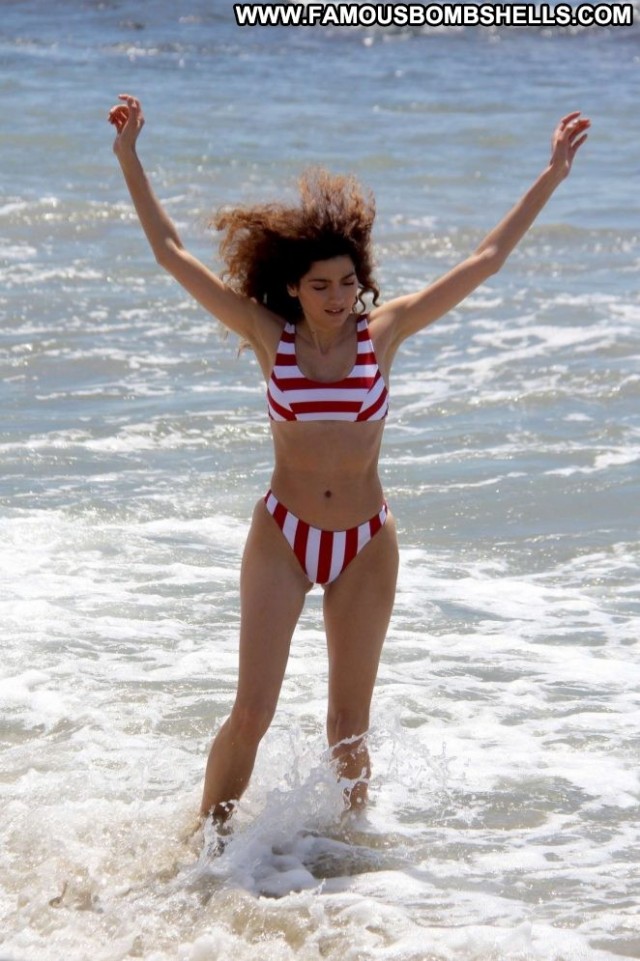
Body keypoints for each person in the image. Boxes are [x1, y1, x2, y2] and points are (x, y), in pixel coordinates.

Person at [108, 94, 589, 823]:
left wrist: (551, 175)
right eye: (320, 286)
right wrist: (129, 159)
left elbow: (484, 261)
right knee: (251, 712)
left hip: (365, 544)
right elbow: (172, 255)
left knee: (348, 726)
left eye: (347, 283)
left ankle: (351, 861)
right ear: (293, 288)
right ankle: (206, 849)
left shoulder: (383, 333)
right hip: (282, 537)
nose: (337, 298)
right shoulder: (269, 334)